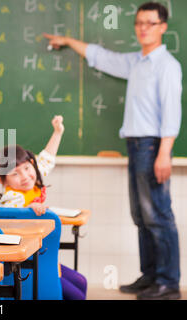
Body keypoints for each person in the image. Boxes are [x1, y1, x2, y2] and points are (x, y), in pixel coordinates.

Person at [44, 2, 182, 300]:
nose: (143, 28)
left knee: (158, 214)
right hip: (135, 146)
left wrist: (164, 153)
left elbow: (172, 113)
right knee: (141, 215)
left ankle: (168, 282)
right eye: (139, 23)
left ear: (163, 27)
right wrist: (68, 41)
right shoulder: (136, 61)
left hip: (153, 145)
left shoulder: (167, 66)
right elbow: (101, 56)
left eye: (150, 22)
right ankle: (150, 276)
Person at [0, 118, 88, 300]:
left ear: (32, 163)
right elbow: (13, 215)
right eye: (15, 173)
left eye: (26, 167)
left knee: (81, 281)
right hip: (27, 263)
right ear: (2, 181)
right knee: (76, 294)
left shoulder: (32, 179)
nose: (25, 176)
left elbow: (47, 159)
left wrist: (57, 132)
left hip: (43, 259)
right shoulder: (12, 197)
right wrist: (29, 210)